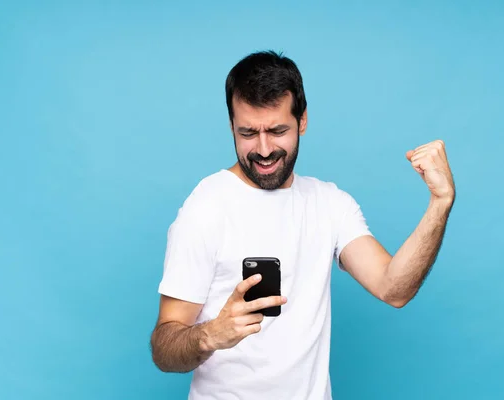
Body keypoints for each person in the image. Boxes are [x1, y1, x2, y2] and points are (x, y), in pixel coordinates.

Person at [150, 50, 456, 400]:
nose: (263, 149)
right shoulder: (205, 208)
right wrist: (210, 335)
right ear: (231, 125)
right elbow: (164, 348)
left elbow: (394, 288)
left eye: (278, 130)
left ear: (303, 121)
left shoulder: (329, 203)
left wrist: (440, 203)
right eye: (248, 132)